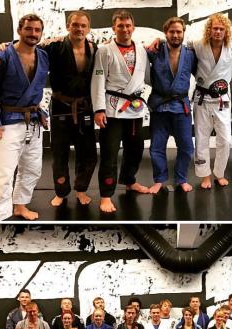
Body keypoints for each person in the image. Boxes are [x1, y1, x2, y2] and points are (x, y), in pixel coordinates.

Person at [0, 14, 48, 221]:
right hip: (9, 121)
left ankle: (20, 205)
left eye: (37, 30)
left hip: (34, 121)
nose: (33, 33)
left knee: (32, 168)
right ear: (19, 30)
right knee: (5, 172)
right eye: (28, 29)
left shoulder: (43, 56)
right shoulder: (1, 55)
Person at [91, 9, 150, 213]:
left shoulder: (141, 50)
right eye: (120, 26)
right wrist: (99, 109)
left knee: (136, 148)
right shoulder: (104, 50)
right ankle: (106, 195)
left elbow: (145, 78)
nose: (125, 29)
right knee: (109, 152)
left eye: (128, 26)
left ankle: (129, 180)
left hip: (135, 109)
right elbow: (98, 80)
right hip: (112, 109)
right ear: (113, 28)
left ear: (133, 27)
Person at [42, 11, 97, 207]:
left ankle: (81, 189)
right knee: (59, 152)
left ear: (88, 28)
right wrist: (6, 45)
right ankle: (61, 191)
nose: (79, 29)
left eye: (83, 25)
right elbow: (27, 45)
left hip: (84, 106)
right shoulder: (54, 47)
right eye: (75, 25)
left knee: (88, 153)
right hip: (60, 105)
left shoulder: (94, 49)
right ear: (68, 26)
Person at [190, 14, 232, 188]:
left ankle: (219, 173)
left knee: (225, 140)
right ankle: (204, 175)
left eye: (221, 29)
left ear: (226, 31)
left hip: (222, 100)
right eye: (215, 28)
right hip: (202, 99)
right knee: (201, 139)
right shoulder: (198, 45)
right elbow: (175, 43)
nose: (218, 31)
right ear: (209, 29)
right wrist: (158, 41)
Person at [147, 17, 196, 194]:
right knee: (157, 147)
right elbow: (134, 51)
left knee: (187, 147)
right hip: (160, 106)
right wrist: (157, 41)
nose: (175, 35)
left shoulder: (191, 54)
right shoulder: (154, 51)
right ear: (165, 33)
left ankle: (181, 178)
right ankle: (159, 180)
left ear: (183, 33)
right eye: (172, 32)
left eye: (178, 32)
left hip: (181, 106)